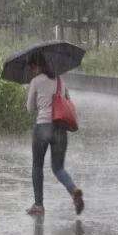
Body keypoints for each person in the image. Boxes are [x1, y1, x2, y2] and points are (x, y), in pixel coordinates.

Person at [25, 51, 84, 216]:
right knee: (58, 168)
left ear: (36, 66)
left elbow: (30, 108)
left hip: (42, 127)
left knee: (37, 165)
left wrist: (40, 100)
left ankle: (39, 205)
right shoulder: (60, 80)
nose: (32, 72)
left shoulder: (36, 81)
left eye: (31, 68)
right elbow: (67, 101)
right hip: (60, 128)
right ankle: (74, 190)